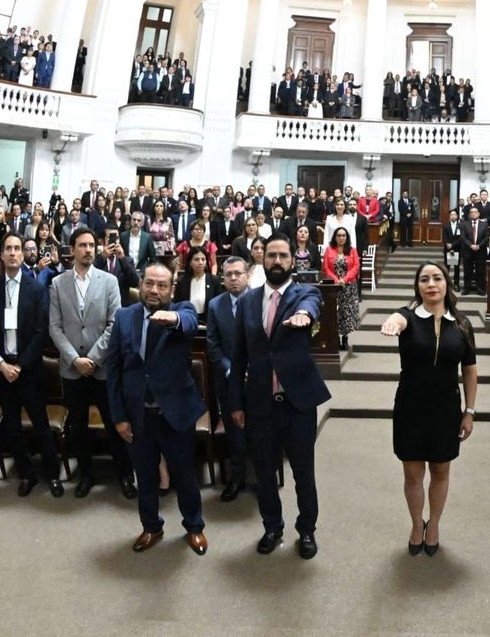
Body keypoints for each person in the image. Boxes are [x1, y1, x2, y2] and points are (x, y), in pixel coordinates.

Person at [228, 235, 330, 560]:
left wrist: (305, 316)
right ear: (262, 259)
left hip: (297, 404)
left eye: (283, 255)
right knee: (264, 473)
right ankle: (272, 527)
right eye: (271, 255)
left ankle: (307, 530)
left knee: (303, 473)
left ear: (292, 261)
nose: (276, 260)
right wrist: (235, 403)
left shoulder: (305, 293)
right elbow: (238, 356)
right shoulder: (247, 301)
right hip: (260, 404)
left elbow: (312, 306)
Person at [106, 264, 207, 556]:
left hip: (175, 414)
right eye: (149, 283)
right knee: (146, 477)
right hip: (138, 416)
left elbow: (189, 322)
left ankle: (194, 527)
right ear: (140, 284)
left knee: (185, 475)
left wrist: (173, 319)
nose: (154, 290)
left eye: (162, 285)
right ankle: (151, 526)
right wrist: (119, 417)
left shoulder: (183, 310)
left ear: (171, 290)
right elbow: (114, 370)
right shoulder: (124, 317)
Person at [379, 262, 478, 555]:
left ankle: (433, 524)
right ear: (418, 287)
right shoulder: (409, 316)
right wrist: (393, 321)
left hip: (446, 409)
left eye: (437, 278)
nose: (431, 284)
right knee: (412, 473)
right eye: (424, 279)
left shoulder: (462, 324)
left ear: (447, 283)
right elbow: (398, 318)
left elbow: (470, 370)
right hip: (410, 407)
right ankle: (415, 524)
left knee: (440, 470)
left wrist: (470, 412)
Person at [48, 227, 136, 499]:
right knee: (78, 427)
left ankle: (124, 474)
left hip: (102, 369)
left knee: (114, 423)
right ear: (72, 249)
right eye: (82, 245)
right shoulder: (58, 283)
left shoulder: (109, 281)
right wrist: (75, 359)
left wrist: (93, 359)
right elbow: (54, 327)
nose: (88, 250)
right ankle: (86, 475)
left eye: (91, 245)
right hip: (72, 369)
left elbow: (114, 324)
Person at [0, 233, 61, 498]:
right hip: (3, 371)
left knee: (41, 424)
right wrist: (1, 364)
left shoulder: (36, 289)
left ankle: (53, 474)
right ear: (2, 255)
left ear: (23, 253)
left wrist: (21, 366)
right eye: (9, 248)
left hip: (29, 371)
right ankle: (27, 474)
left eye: (18, 248)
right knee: (12, 428)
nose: (14, 253)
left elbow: (41, 332)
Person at [205, 257, 252, 503]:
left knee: (261, 428)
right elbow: (212, 345)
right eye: (228, 274)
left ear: (247, 276)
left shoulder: (260, 300)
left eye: (238, 273)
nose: (233, 278)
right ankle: (237, 477)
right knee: (234, 430)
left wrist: (253, 368)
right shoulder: (215, 305)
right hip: (228, 379)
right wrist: (231, 370)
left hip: (257, 378)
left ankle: (262, 475)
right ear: (222, 279)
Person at [322, 227, 361, 351]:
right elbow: (326, 268)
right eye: (339, 235)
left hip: (349, 287)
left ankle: (345, 338)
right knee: (335, 312)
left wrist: (344, 279)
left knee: (346, 312)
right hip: (333, 287)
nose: (341, 238)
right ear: (335, 237)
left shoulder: (352, 250)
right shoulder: (329, 250)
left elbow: (356, 267)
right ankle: (335, 338)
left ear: (347, 237)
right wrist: (336, 280)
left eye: (344, 235)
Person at [173, 246, 220, 323]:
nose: (200, 262)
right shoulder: (182, 281)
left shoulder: (214, 281)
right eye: (196, 259)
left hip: (208, 321)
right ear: (190, 262)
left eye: (203, 259)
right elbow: (177, 304)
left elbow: (218, 305)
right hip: (187, 320)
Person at [460, 206, 488, 296]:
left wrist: (479, 245)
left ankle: (480, 289)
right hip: (468, 251)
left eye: (475, 212)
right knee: (467, 271)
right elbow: (463, 237)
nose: (473, 213)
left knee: (480, 271)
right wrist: (471, 245)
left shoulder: (484, 225)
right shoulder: (464, 224)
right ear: (469, 214)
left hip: (480, 251)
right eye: (472, 212)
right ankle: (466, 288)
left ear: (479, 214)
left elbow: (486, 237)